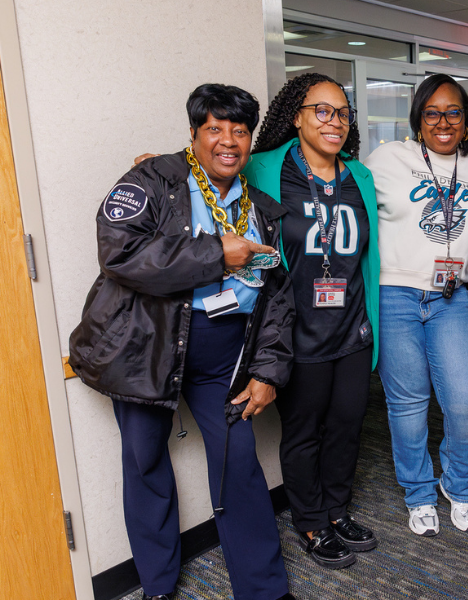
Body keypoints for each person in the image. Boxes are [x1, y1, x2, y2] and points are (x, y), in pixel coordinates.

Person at [69, 84, 295, 600]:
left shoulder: (259, 207)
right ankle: (158, 586)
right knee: (145, 463)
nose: (228, 141)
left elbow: (277, 297)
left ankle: (264, 589)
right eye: (214, 128)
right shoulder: (151, 181)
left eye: (240, 130)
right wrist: (216, 252)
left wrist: (267, 371)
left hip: (225, 353)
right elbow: (121, 256)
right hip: (146, 347)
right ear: (193, 134)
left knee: (238, 462)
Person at [243, 73, 380, 569]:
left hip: (352, 330)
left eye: (341, 113)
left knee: (347, 426)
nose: (334, 121)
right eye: (321, 110)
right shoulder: (263, 169)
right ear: (296, 116)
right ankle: (310, 520)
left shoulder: (357, 176)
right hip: (295, 334)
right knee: (303, 432)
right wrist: (159, 167)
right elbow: (205, 167)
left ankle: (337, 510)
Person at [363, 74, 468, 536]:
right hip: (396, 295)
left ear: (466, 122)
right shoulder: (386, 159)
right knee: (408, 403)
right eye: (432, 112)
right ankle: (418, 493)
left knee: (467, 400)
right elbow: (331, 181)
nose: (443, 121)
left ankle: (459, 485)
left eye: (453, 112)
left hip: (452, 298)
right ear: (418, 120)